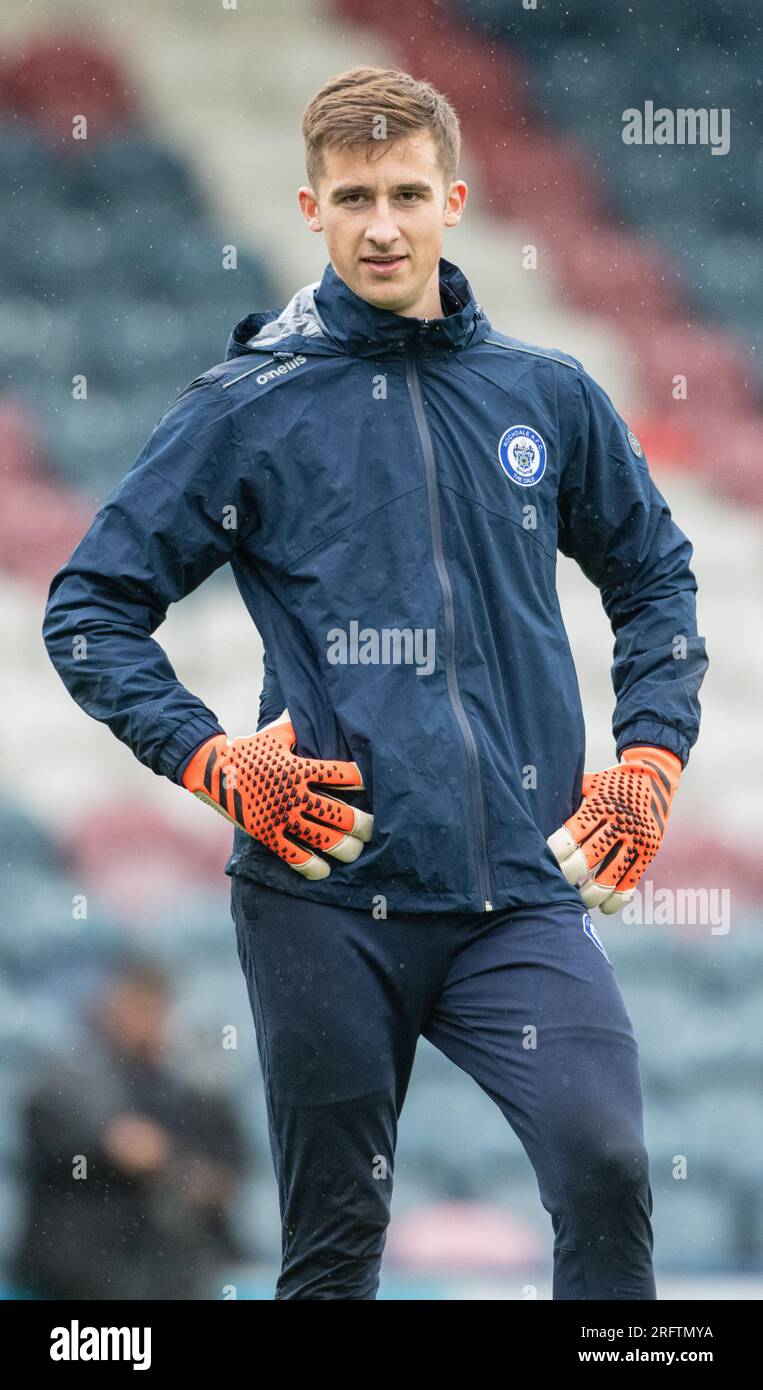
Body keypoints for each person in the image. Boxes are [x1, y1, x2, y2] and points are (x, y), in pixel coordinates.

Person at [42, 65, 708, 1299]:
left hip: (517, 892)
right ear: (312, 209)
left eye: (408, 193)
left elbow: (657, 579)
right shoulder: (243, 411)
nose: (384, 224)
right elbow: (89, 610)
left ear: (454, 198)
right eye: (355, 198)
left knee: (608, 1165)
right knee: (337, 1248)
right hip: (321, 892)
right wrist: (212, 760)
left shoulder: (545, 396)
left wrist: (651, 755)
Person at [10, 958, 247, 1300]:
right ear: (107, 1007)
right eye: (133, 1006)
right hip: (78, 1275)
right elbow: (72, 1135)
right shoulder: (65, 1080)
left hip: (169, 1273)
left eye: (152, 1008)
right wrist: (115, 1147)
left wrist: (179, 1169)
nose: (141, 1021)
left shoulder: (193, 1094)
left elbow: (222, 1176)